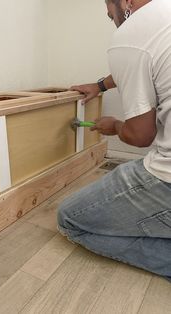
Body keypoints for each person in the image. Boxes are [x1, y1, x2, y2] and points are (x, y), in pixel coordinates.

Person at [57, 0, 171, 281]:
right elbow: (146, 60)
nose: (115, 21)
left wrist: (116, 126)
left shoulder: (130, 33)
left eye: (112, 15)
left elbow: (141, 135)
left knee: (70, 218)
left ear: (126, 2)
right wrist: (99, 86)